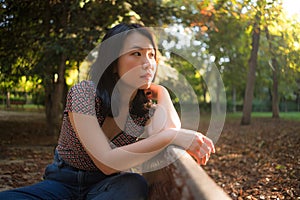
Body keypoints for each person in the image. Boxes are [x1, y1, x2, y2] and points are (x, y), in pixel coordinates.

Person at [0, 23, 215, 200]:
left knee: (133, 184)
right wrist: (172, 136)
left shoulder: (144, 111)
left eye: (152, 55)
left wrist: (163, 93)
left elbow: (170, 128)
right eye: (136, 53)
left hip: (109, 188)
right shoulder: (84, 93)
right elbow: (106, 162)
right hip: (63, 182)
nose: (148, 63)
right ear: (113, 64)